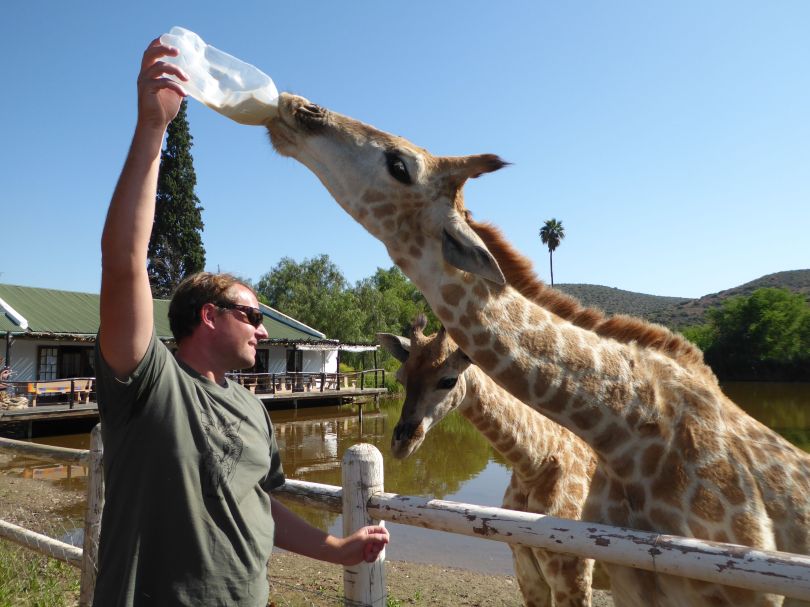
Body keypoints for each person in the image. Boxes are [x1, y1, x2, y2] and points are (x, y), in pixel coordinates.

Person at [94, 38, 389, 606]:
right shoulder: (148, 384)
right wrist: (153, 129)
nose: (264, 330)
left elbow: (256, 503)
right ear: (208, 316)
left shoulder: (253, 408)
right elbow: (124, 260)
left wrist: (338, 549)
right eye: (252, 315)